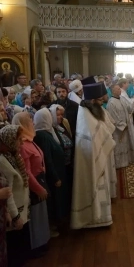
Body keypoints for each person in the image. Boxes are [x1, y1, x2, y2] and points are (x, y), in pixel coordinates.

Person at [71, 82, 115, 229]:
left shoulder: (92, 110)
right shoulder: (84, 113)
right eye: (100, 101)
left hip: (98, 152)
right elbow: (93, 134)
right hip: (90, 156)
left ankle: (103, 217)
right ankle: (93, 218)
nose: (102, 103)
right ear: (92, 101)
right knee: (93, 184)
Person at [12, 112, 51, 251]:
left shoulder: (29, 139)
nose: (33, 123)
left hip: (39, 179)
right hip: (34, 185)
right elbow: (26, 172)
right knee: (35, 216)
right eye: (29, 120)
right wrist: (38, 188)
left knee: (41, 214)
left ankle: (43, 242)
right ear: (22, 124)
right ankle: (38, 246)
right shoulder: (22, 143)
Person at [33, 108, 69, 236]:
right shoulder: (42, 135)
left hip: (58, 171)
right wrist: (55, 177)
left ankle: (59, 223)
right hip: (54, 175)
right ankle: (54, 225)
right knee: (54, 202)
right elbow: (47, 159)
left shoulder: (47, 132)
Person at [0, 125, 30, 266]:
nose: (21, 143)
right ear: (9, 141)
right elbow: (8, 193)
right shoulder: (3, 161)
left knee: (22, 253)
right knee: (16, 256)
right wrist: (15, 216)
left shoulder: (12, 156)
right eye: (18, 140)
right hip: (14, 214)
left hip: (21, 209)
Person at [106, 84, 134, 168]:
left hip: (125, 127)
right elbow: (113, 118)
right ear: (113, 91)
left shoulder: (122, 99)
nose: (120, 91)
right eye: (117, 89)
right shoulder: (111, 102)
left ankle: (126, 161)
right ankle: (119, 163)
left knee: (125, 144)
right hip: (118, 130)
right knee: (119, 146)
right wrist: (123, 125)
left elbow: (129, 109)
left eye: (120, 89)